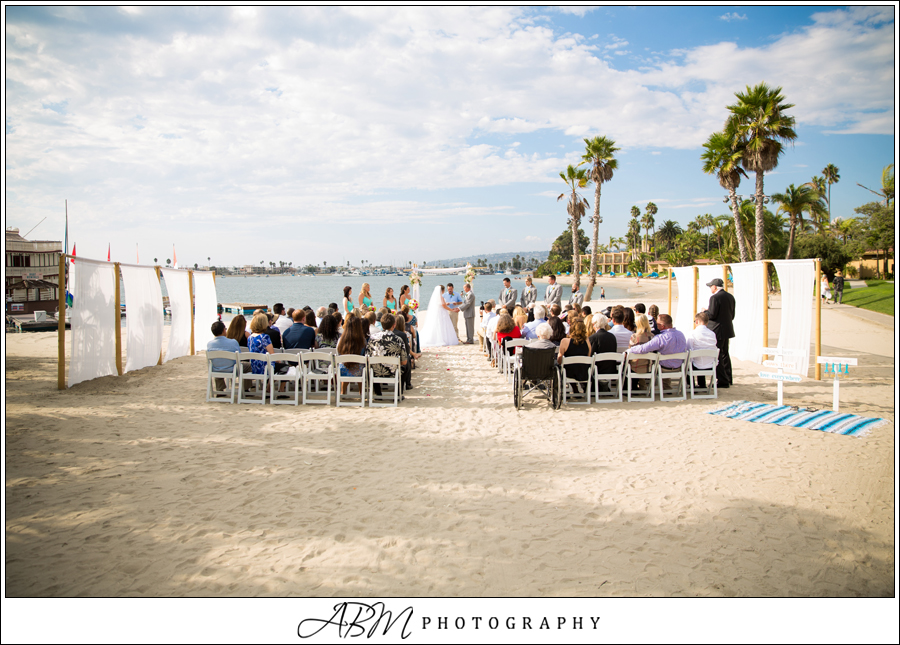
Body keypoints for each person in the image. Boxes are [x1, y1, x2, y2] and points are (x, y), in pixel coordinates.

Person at [629, 314, 688, 389]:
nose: (656, 325)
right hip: (679, 366)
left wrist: (630, 350)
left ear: (662, 326)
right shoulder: (681, 334)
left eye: (657, 324)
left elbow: (643, 348)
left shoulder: (660, 338)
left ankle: (644, 384)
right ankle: (666, 386)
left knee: (650, 359)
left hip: (663, 367)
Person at [366, 313, 409, 398]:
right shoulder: (398, 340)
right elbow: (404, 362)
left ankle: (378, 393)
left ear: (382, 325)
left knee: (373, 365)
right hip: (393, 372)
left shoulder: (372, 338)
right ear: (394, 325)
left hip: (376, 371)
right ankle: (398, 393)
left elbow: (368, 356)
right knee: (406, 365)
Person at [704, 278, 736, 389]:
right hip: (727, 328)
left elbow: (712, 315)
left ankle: (722, 380)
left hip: (717, 329)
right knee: (725, 354)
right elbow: (732, 315)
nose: (710, 288)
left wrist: (705, 311)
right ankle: (728, 377)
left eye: (710, 286)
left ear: (715, 287)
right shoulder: (730, 296)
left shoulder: (715, 298)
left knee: (717, 355)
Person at [207, 320, 243, 391]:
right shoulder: (233, 342)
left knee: (218, 363)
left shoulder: (209, 344)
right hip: (232, 369)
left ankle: (220, 389)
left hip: (216, 370)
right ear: (224, 330)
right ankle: (246, 388)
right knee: (247, 366)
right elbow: (240, 357)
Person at [558, 320, 591, 393]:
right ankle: (575, 388)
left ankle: (566, 388)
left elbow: (560, 358)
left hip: (569, 373)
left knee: (562, 365)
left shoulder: (565, 341)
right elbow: (588, 356)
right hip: (583, 372)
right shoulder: (587, 341)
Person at [337, 316, 367, 395]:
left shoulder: (341, 339)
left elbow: (338, 352)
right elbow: (364, 354)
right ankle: (361, 392)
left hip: (343, 369)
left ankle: (343, 392)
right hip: (359, 370)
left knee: (345, 364)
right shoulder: (362, 340)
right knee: (361, 365)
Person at [688, 311, 718, 389]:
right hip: (711, 365)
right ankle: (702, 385)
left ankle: (691, 385)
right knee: (701, 358)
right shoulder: (712, 334)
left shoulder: (693, 333)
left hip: (696, 366)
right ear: (707, 323)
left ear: (697, 321)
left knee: (689, 361)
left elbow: (688, 348)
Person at [589, 313, 618, 383]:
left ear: (593, 324)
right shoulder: (612, 337)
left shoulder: (593, 338)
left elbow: (590, 355)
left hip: (597, 369)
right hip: (611, 369)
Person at [627, 314, 653, 387]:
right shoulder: (652, 336)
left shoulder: (634, 336)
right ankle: (642, 384)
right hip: (648, 366)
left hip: (636, 367)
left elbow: (630, 352)